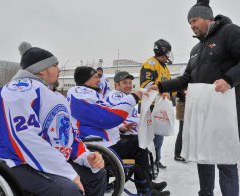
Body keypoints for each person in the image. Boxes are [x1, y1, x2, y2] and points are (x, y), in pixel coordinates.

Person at [149, 0, 240, 195]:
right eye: (189, 23)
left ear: (208, 18)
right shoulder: (196, 50)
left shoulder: (229, 32)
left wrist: (228, 79)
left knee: (226, 164)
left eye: (194, 20)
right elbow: (187, 79)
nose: (191, 25)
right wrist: (159, 86)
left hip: (227, 115)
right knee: (204, 159)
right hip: (203, 115)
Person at [0, 42, 106, 196]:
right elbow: (24, 138)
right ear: (42, 70)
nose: (59, 69)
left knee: (96, 175)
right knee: (67, 190)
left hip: (47, 160)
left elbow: (67, 135)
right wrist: (68, 172)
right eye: (55, 65)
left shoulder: (53, 95)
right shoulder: (17, 90)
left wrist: (85, 156)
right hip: (14, 161)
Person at [67, 66, 170, 196]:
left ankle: (147, 187)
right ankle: (147, 190)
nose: (99, 79)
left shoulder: (86, 93)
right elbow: (109, 117)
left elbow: (96, 119)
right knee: (139, 146)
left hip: (103, 140)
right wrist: (134, 96)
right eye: (95, 77)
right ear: (85, 79)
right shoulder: (80, 95)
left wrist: (119, 128)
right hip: (97, 145)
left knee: (139, 145)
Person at [140, 38, 174, 169]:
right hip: (151, 106)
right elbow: (146, 85)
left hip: (160, 106)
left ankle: (156, 159)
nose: (169, 55)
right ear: (163, 51)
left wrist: (170, 93)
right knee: (151, 136)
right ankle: (150, 162)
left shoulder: (164, 67)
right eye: (168, 52)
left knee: (159, 135)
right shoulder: (151, 64)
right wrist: (162, 91)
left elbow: (169, 85)